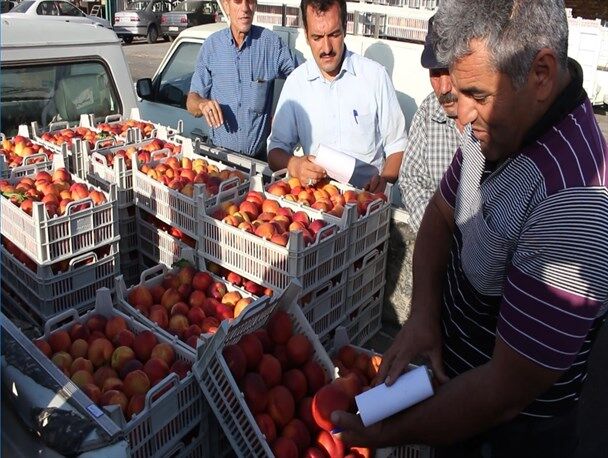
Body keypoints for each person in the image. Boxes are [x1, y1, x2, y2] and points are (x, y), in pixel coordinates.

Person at [332, 1, 608, 457]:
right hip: (459, 402)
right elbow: (442, 213)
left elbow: (503, 392)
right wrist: (423, 313)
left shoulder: (572, 202)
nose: (461, 115)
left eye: (477, 96)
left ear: (541, 73)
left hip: (510, 437)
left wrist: (391, 433)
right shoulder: (496, 126)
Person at [266, 0, 406, 192]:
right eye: (317, 37)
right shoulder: (296, 84)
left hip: (368, 204)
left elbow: (397, 145)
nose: (326, 48)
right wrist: (294, 165)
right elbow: (275, 150)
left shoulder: (375, 77)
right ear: (306, 35)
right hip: (318, 205)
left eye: (334, 34)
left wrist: (385, 181)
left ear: (345, 28)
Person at [186, 0, 297, 159]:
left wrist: (286, 117)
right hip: (220, 159)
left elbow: (303, 77)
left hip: (258, 163)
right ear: (226, 5)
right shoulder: (212, 46)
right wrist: (202, 104)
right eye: (238, 1)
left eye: (250, 1)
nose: (245, 8)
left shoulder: (270, 44)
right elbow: (191, 102)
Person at [397, 16, 463, 232]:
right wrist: (438, 232)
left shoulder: (496, 115)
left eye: (450, 71)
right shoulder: (428, 111)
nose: (443, 87)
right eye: (435, 74)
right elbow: (411, 180)